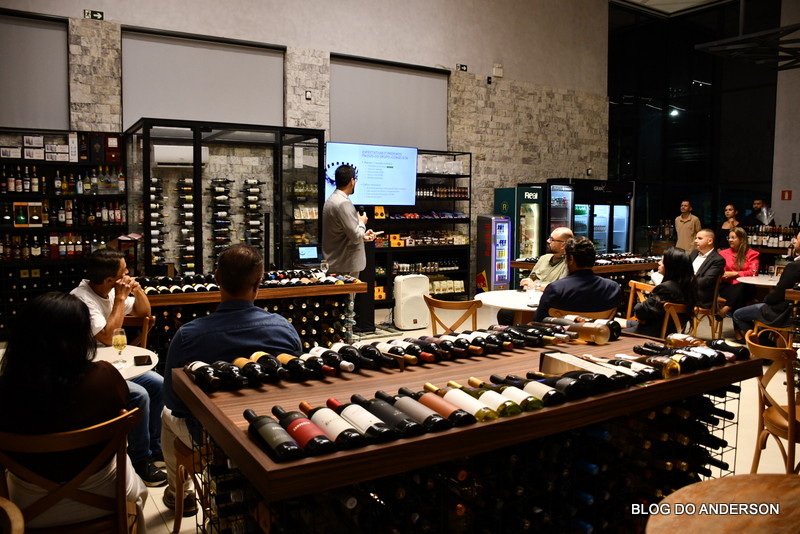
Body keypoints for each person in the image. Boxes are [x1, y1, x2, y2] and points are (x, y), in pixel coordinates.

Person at [162, 244, 302, 516]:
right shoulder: (283, 329)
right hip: (274, 430)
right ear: (259, 282)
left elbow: (175, 403)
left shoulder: (188, 336)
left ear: (216, 279)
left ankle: (182, 494)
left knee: (165, 414)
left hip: (212, 437)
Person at [0, 293, 148, 530]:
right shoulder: (105, 377)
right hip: (106, 496)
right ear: (80, 337)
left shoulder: (7, 392)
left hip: (27, 507)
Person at [71, 248, 166, 487]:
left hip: (112, 365)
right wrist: (122, 299)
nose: (128, 275)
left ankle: (155, 448)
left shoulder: (111, 290)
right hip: (89, 370)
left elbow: (144, 311)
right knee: (140, 395)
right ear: (109, 280)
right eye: (124, 273)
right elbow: (107, 336)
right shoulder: (81, 299)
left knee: (158, 384)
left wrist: (137, 290)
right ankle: (140, 460)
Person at [533, 237, 622, 322]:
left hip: (564, 332)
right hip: (599, 331)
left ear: (571, 259)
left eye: (565, 257)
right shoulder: (612, 287)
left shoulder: (556, 288)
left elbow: (538, 320)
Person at [497, 227, 574, 325]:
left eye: (552, 239)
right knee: (504, 312)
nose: (548, 241)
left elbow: (559, 289)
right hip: (530, 299)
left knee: (508, 314)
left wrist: (535, 286)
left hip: (548, 305)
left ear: (563, 245)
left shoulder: (569, 263)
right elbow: (531, 278)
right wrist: (527, 281)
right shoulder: (544, 258)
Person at [732, 230, 800, 335]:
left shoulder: (794, 267)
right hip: (794, 311)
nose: (794, 241)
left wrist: (766, 300)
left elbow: (778, 293)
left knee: (738, 314)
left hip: (784, 312)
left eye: (797, 239)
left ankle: (761, 342)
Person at [624, 247, 698, 338]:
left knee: (611, 331)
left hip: (651, 334)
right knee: (614, 322)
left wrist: (640, 310)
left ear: (671, 266)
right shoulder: (687, 287)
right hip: (669, 331)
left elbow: (640, 312)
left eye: (662, 261)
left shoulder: (666, 288)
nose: (658, 263)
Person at [321, 164, 376, 277]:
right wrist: (361, 222)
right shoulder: (343, 203)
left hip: (336, 262)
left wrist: (363, 236)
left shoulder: (331, 199)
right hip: (345, 265)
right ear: (352, 181)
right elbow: (355, 237)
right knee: (349, 290)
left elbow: (343, 232)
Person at [718, 227, 759, 339]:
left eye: (733, 237)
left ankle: (727, 308)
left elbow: (753, 272)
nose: (730, 240)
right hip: (727, 287)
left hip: (747, 287)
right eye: (729, 237)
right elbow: (720, 272)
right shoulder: (723, 254)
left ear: (742, 239)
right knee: (739, 296)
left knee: (741, 285)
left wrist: (735, 273)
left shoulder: (752, 254)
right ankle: (739, 332)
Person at [689, 228, 725, 309]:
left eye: (699, 238)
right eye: (696, 238)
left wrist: (684, 281)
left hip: (701, 296)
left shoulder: (718, 260)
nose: (695, 241)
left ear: (710, 241)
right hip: (688, 290)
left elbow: (704, 281)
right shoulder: (694, 253)